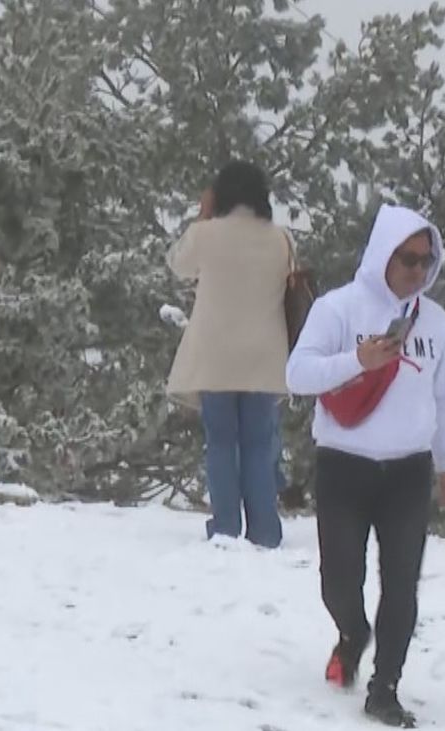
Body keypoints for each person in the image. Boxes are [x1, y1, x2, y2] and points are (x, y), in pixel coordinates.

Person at [285, 203, 445, 728]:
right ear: (382, 254)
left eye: (426, 262)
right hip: (344, 464)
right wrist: (356, 362)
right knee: (339, 579)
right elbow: (298, 374)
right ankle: (351, 631)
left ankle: (385, 687)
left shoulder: (433, 320)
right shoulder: (340, 308)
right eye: (406, 259)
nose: (416, 272)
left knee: (402, 581)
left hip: (408, 469)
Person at [165, 161, 292, 549]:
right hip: (265, 355)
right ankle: (265, 529)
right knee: (258, 441)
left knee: (221, 441)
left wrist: (202, 216)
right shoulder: (281, 238)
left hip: (217, 354)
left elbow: (178, 265)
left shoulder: (208, 234)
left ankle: (225, 526)